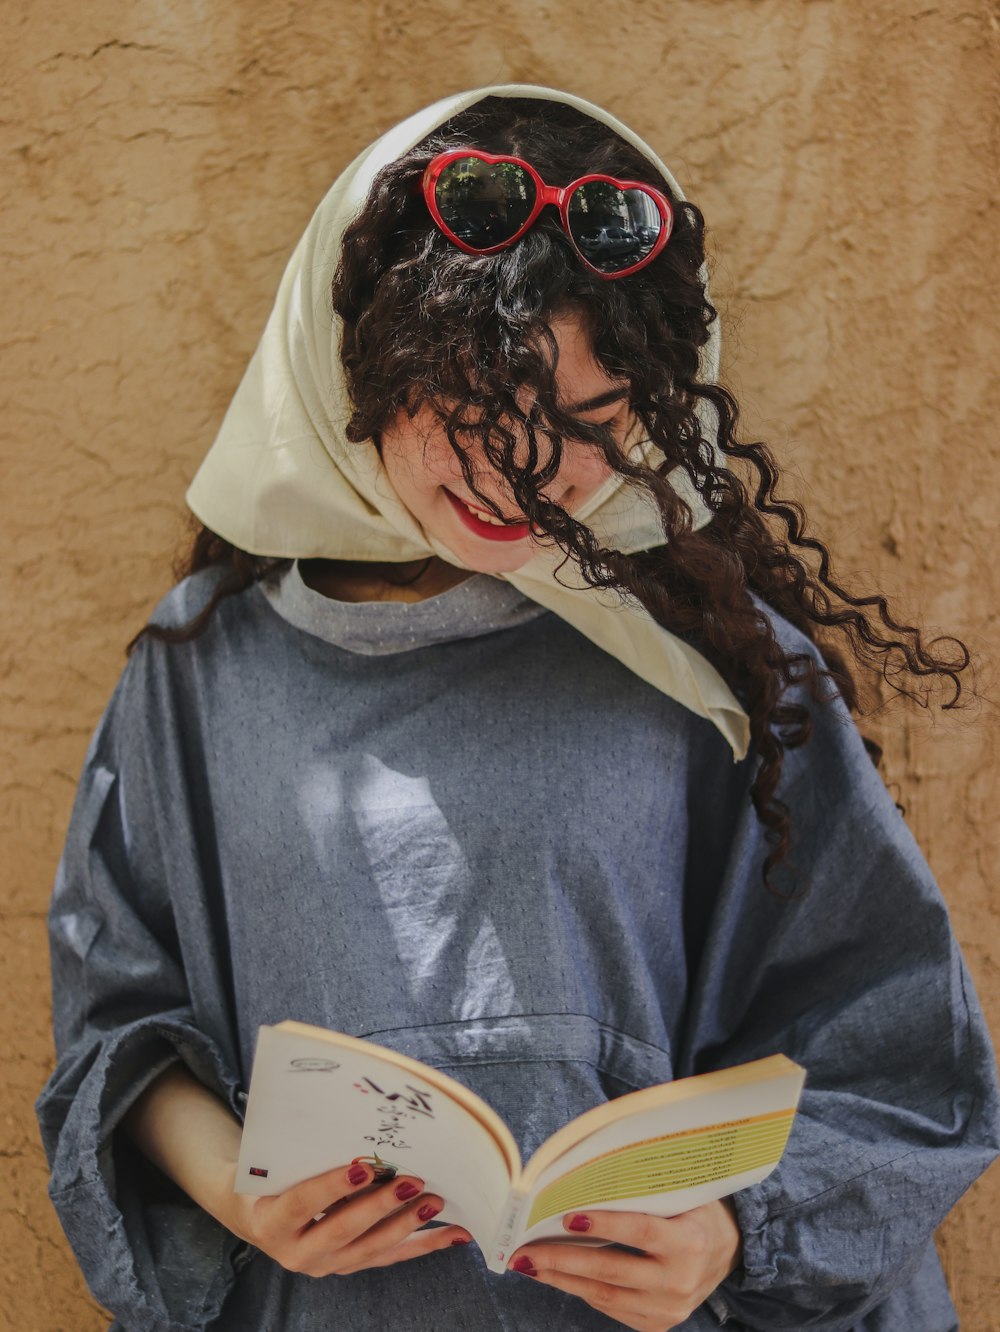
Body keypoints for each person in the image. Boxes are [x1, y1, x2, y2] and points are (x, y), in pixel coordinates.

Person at [36, 84, 999, 1332]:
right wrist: (234, 1189)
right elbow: (120, 1029)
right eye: (472, 413)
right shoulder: (198, 671)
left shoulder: (713, 662)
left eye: (590, 422)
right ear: (360, 373)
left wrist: (729, 1233)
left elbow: (900, 1051)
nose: (522, 474)